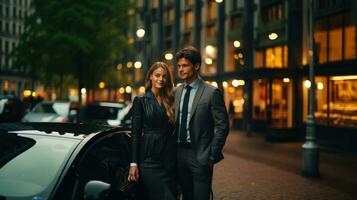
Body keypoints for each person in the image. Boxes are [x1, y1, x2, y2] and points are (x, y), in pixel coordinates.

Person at [174, 46, 230, 200]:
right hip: (178, 155)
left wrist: (212, 155)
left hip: (200, 155)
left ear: (196, 66)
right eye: (179, 66)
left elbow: (223, 126)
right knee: (186, 196)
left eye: (185, 65)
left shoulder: (211, 92)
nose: (180, 69)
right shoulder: (176, 92)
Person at [127, 61, 177, 200]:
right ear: (150, 77)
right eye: (157, 75)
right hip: (149, 159)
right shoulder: (141, 100)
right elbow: (135, 134)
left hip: (168, 160)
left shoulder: (170, 100)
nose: (161, 79)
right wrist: (133, 163)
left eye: (164, 76)